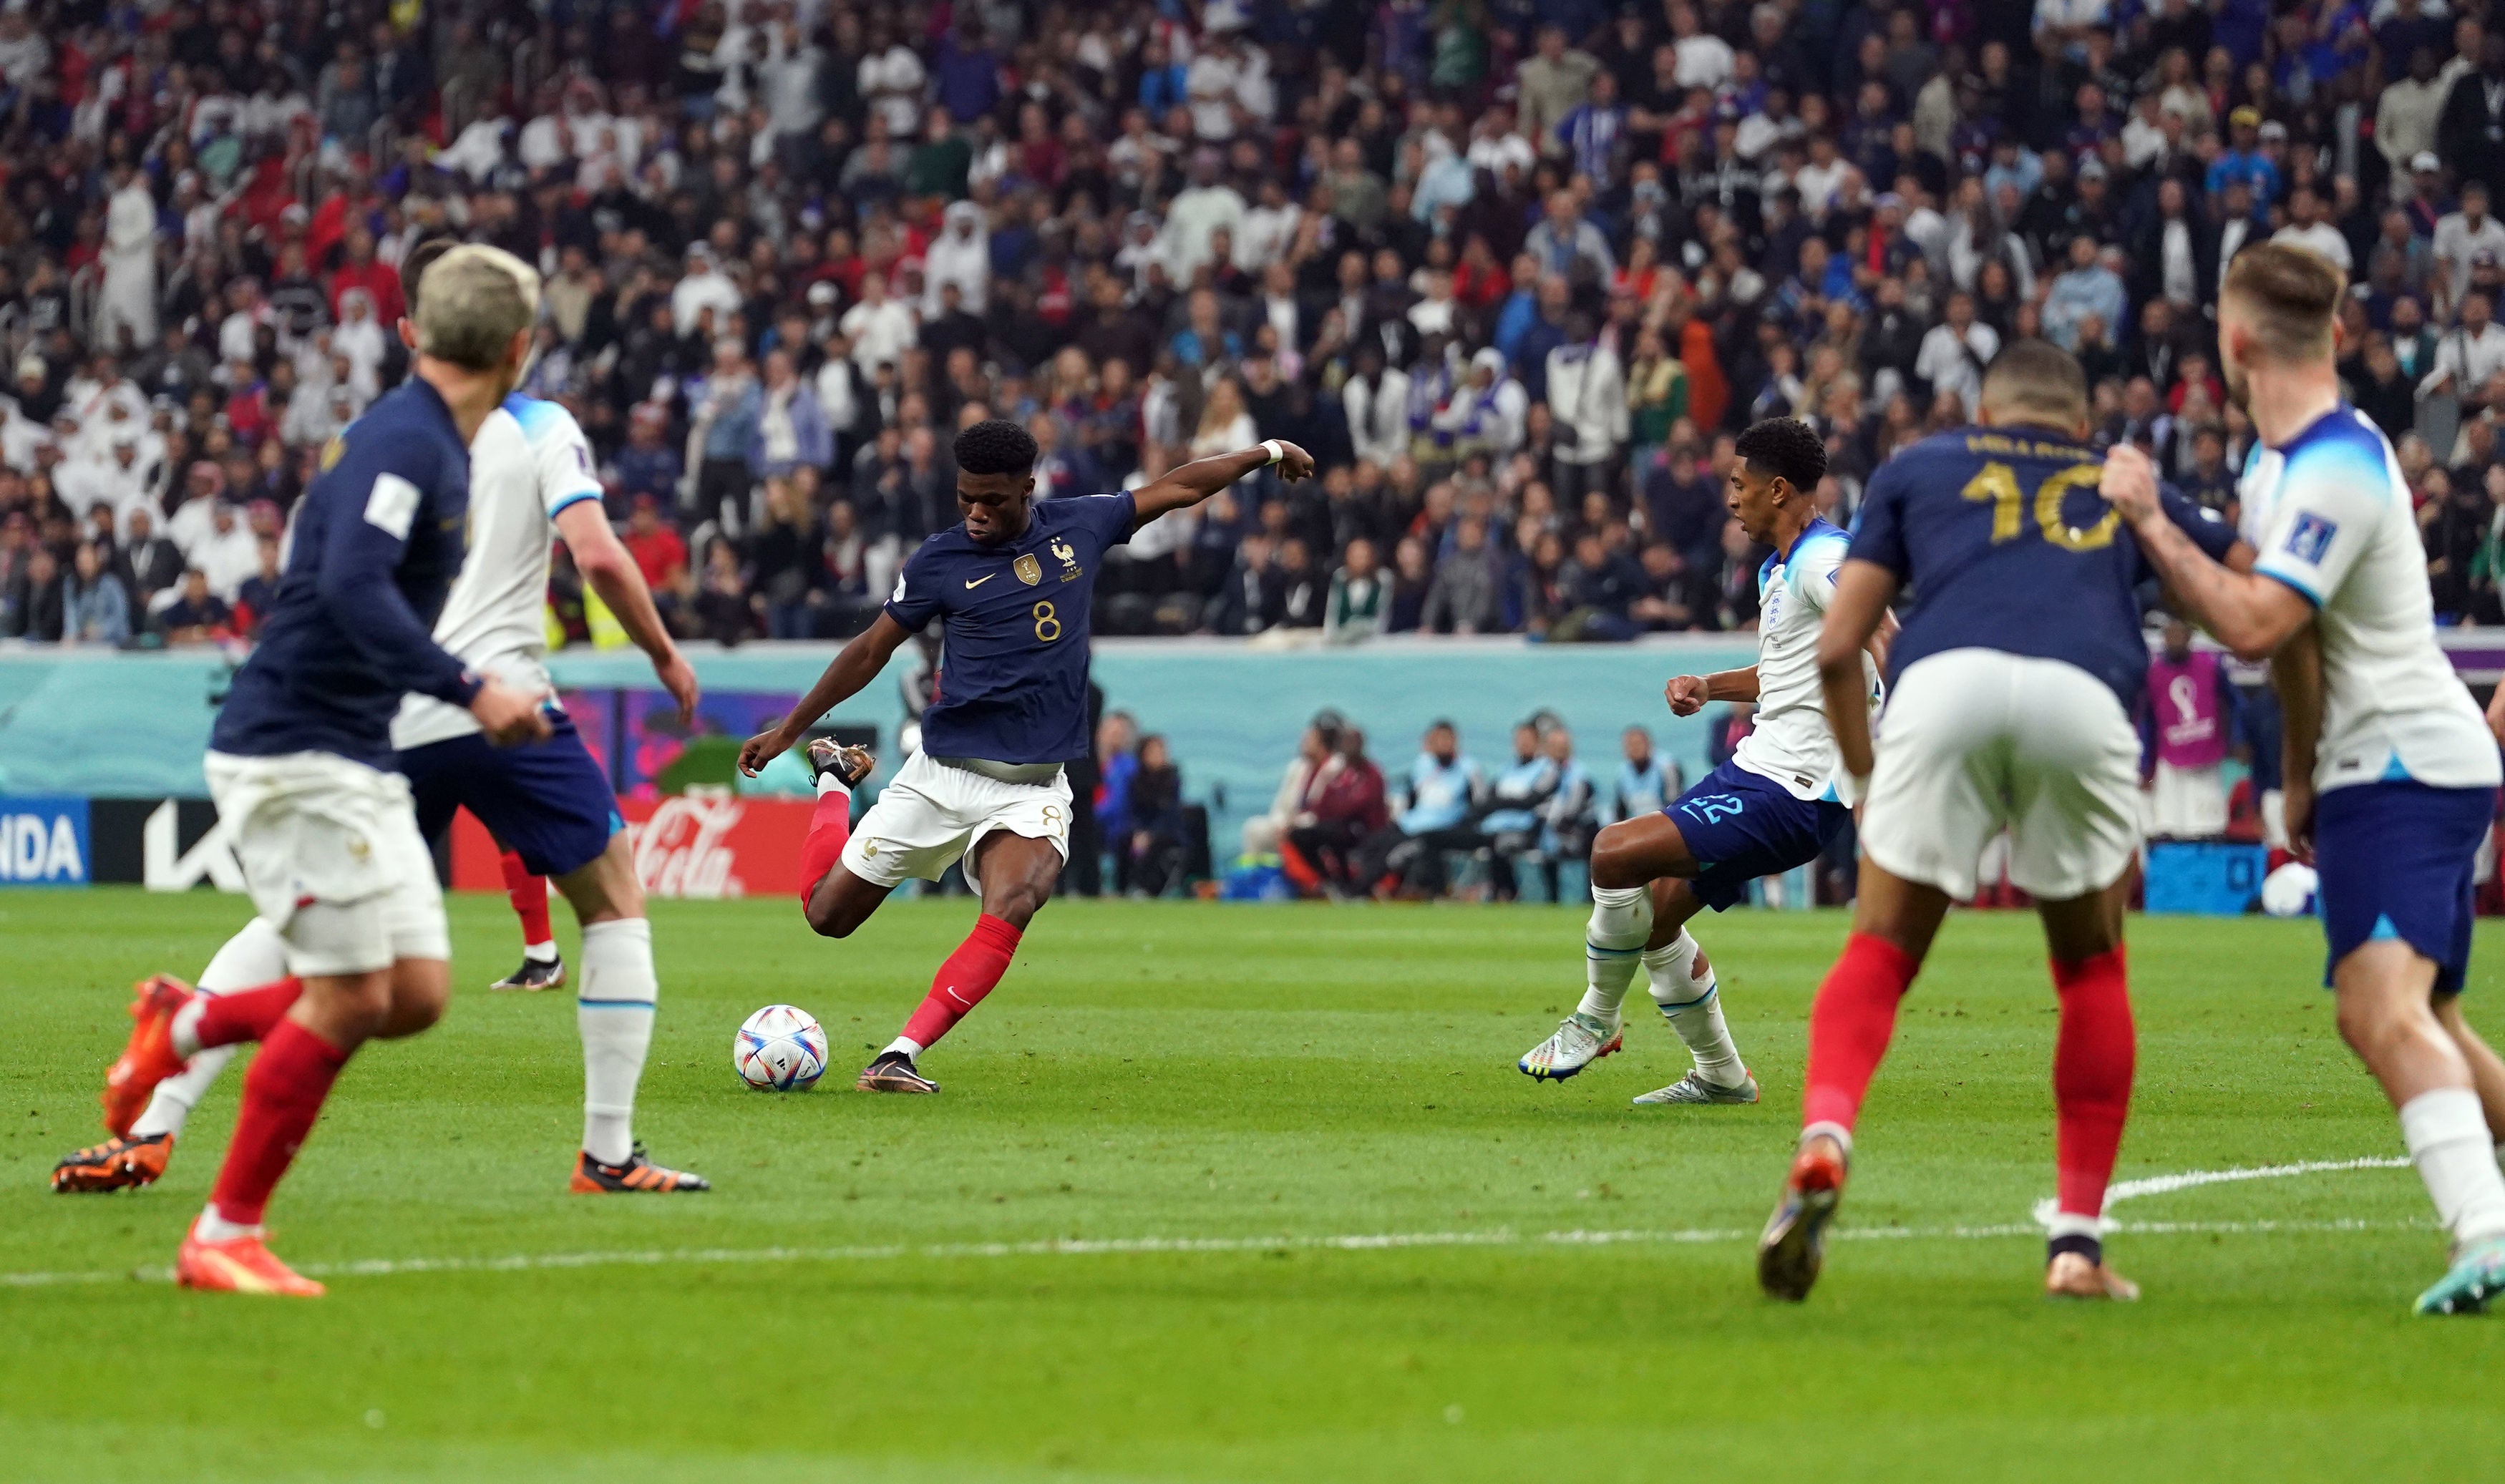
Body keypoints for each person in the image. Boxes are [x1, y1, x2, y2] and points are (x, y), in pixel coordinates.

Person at [62, 238, 709, 1201]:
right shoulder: (535, 425)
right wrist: (661, 650)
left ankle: (155, 1123)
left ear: (411, 330)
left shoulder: (370, 436)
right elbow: (598, 552)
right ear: (520, 344)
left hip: (377, 719)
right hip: (489, 697)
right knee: (611, 897)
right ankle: (606, 1152)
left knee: (304, 933)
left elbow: (322, 573)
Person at [79, 245, 550, 1297]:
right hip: (296, 747)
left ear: (419, 331)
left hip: (352, 746)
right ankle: (223, 1232)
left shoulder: (427, 440)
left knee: (417, 992)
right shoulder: (409, 444)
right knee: (344, 997)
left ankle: (185, 1022)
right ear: (518, 348)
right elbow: (349, 584)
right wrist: (472, 686)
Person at [1756, 340, 2246, 1308]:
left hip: (1946, 684)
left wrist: (1867, 775)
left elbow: (1843, 643)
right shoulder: (2116, 474)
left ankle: (1825, 1137)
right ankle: (2075, 1244)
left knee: (1883, 952)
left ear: (1984, 409)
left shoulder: (1918, 468)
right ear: (2076, 419)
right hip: (2086, 690)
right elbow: (2248, 582)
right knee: (2092, 967)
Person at [2102, 243, 2505, 1317]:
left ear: (2234, 344)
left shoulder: (2332, 464)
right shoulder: (2279, 463)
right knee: (2432, 1020)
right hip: (2377, 762)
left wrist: (2146, 518)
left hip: (2408, 760)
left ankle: (2484, 1228)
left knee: (2379, 1009)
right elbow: (2294, 646)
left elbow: (2257, 620)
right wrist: (2297, 776)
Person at [736, 419, 1315, 1093]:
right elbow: (870, 650)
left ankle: (898, 1054)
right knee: (826, 917)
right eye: (965, 500)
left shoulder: (1082, 526)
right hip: (940, 776)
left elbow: (1179, 487)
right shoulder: (938, 562)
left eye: (993, 501)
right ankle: (835, 781)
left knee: (1014, 900)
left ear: (1027, 489)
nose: (977, 513)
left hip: (1032, 789)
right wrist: (789, 731)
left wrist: (1266, 452)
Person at [1517, 419, 1877, 1105]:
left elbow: (1880, 627)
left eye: (1739, 486)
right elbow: (1790, 674)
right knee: (1654, 923)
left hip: (1793, 790)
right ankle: (1722, 1078)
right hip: (1762, 772)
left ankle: (1593, 1020)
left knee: (1613, 852)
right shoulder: (1781, 568)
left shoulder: (1825, 558)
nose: (1731, 500)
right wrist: (1712, 687)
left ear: (1778, 490)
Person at [2143, 619, 2234, 839]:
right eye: (2169, 635)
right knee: (2167, 824)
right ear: (2163, 638)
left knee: (2207, 825)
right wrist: (2146, 762)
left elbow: (2232, 702)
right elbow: (2148, 720)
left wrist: (2236, 738)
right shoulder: (2154, 675)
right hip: (2170, 753)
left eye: (2179, 634)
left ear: (2190, 637)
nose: (2174, 640)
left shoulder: (2210, 666)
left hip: (2207, 751)